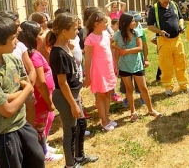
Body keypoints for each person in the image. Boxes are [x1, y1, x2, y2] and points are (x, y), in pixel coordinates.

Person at [0, 16, 45, 167]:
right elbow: (7, 110)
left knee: (37, 159)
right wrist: (27, 89)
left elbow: (25, 80)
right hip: (4, 133)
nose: (17, 41)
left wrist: (7, 96)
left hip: (22, 123)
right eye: (13, 38)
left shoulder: (11, 59)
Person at [47, 12, 98, 168]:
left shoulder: (65, 46)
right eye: (75, 29)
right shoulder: (58, 53)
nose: (78, 31)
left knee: (81, 124)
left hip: (72, 95)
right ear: (63, 31)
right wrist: (73, 104)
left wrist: (77, 96)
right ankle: (70, 165)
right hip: (64, 97)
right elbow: (62, 83)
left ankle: (79, 156)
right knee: (70, 130)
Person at [18, 21, 62, 161]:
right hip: (41, 99)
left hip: (42, 98)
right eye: (41, 34)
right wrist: (49, 102)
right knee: (39, 126)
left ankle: (44, 145)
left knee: (45, 123)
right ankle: (42, 153)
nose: (44, 36)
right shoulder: (33, 56)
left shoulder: (34, 53)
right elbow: (40, 83)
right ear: (32, 37)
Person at [112, 13, 162, 122]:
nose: (135, 23)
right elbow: (109, 43)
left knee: (143, 88)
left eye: (134, 21)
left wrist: (125, 51)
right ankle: (133, 111)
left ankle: (151, 110)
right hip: (124, 66)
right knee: (129, 89)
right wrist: (117, 48)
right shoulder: (118, 34)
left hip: (137, 65)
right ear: (125, 23)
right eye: (132, 21)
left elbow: (140, 48)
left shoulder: (137, 32)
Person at [147, 0, 189, 96]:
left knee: (181, 63)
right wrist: (160, 31)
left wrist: (181, 26)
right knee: (166, 65)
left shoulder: (174, 5)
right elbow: (149, 26)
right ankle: (168, 87)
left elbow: (181, 18)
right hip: (163, 41)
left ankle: (184, 85)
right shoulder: (154, 9)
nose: (167, 0)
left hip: (177, 40)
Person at [0, 10, 37, 127]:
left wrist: (29, 89)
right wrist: (25, 91)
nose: (20, 29)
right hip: (7, 103)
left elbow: (30, 69)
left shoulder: (20, 46)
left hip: (23, 93)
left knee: (28, 128)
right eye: (17, 26)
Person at [83, 11, 118, 131]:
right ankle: (103, 120)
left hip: (108, 69)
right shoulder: (90, 39)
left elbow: (110, 52)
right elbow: (87, 59)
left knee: (108, 93)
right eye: (105, 22)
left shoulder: (106, 35)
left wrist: (114, 65)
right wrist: (87, 76)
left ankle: (107, 118)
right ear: (96, 23)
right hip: (98, 71)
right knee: (101, 95)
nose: (107, 24)